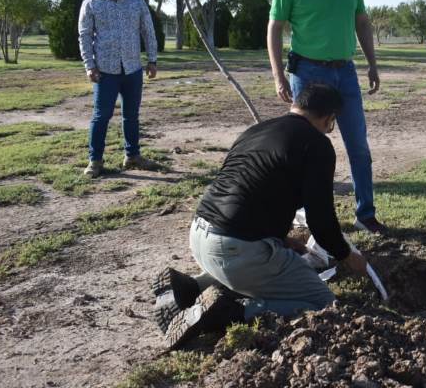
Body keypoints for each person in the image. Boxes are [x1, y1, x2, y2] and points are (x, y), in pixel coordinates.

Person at [158, 83, 370, 349]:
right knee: (323, 304)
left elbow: (246, 191)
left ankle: (192, 288)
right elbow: (321, 221)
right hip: (237, 252)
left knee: (255, 270)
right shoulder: (316, 144)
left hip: (201, 236)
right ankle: (230, 313)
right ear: (329, 118)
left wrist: (281, 237)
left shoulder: (256, 131)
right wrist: (347, 256)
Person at [266, 0, 387, 235]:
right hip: (307, 73)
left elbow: (362, 21)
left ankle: (365, 214)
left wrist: (372, 63)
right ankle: (303, 212)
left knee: (358, 145)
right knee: (306, 148)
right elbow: (275, 27)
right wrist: (278, 76)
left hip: (345, 71)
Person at [78, 0, 160, 178]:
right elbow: (84, 36)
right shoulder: (91, 4)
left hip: (132, 69)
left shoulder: (136, 2)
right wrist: (89, 66)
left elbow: (148, 31)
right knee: (101, 116)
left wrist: (152, 60)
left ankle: (132, 156)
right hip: (105, 71)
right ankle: (95, 161)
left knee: (131, 115)